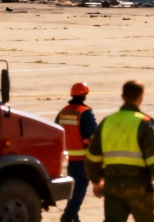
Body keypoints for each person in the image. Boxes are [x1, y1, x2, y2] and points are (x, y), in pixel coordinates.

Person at [85, 80, 154, 222]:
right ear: (141, 96)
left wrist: (96, 180)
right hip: (139, 188)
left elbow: (92, 157)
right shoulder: (145, 123)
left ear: (122, 96)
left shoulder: (107, 121)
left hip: (113, 186)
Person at [55, 82, 98, 222]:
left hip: (68, 157)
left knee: (74, 188)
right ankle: (68, 215)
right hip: (81, 157)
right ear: (84, 95)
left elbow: (56, 130)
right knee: (80, 187)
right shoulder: (84, 112)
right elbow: (94, 134)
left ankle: (74, 216)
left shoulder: (63, 111)